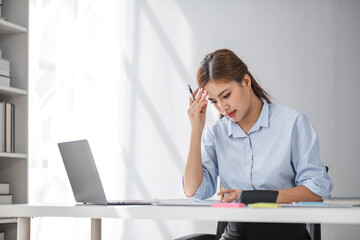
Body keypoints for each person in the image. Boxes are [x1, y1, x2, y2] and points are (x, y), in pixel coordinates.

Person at [184, 49, 333, 240]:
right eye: (214, 101)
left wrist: (252, 197)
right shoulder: (216, 134)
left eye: (226, 95)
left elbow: (316, 190)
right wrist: (196, 131)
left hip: (285, 235)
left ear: (246, 82)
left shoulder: (292, 123)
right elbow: (193, 191)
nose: (222, 107)